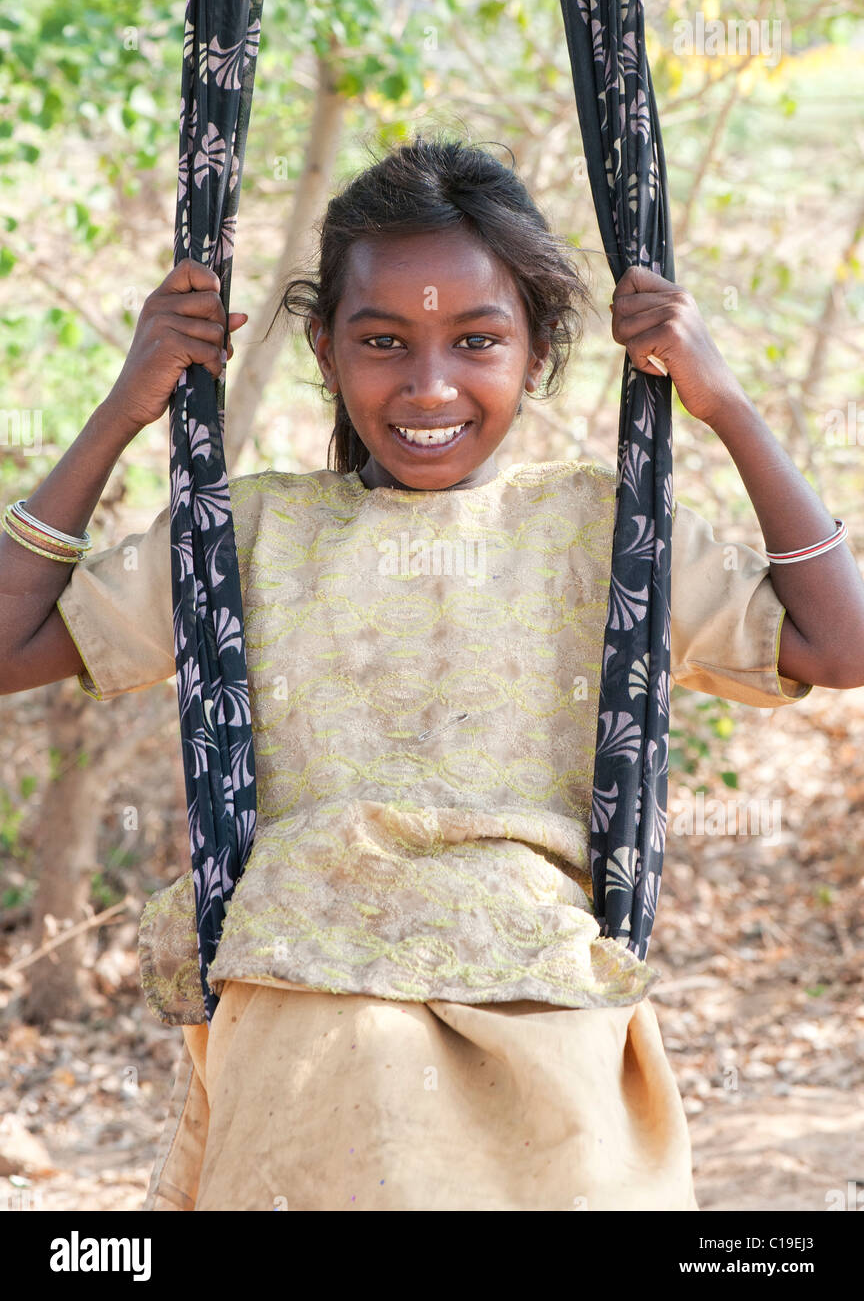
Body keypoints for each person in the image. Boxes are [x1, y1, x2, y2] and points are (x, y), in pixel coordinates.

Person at [2, 135, 863, 1213]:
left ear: (539, 350)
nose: (429, 384)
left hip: (539, 1008)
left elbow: (840, 645)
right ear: (323, 347)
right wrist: (126, 407)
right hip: (311, 1008)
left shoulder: (598, 529)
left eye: (476, 339)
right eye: (382, 340)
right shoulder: (252, 533)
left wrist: (724, 403)